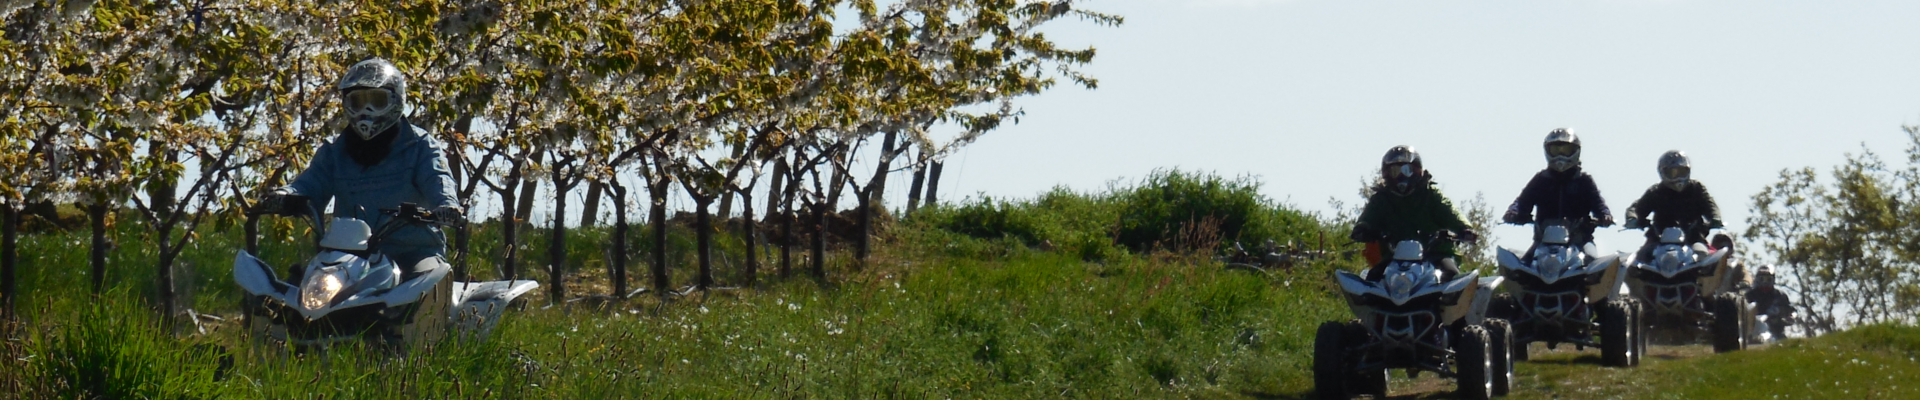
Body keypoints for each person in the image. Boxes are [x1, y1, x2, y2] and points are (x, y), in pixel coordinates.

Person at [255, 58, 462, 347]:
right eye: (357, 100)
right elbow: (311, 182)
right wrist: (286, 195)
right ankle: (285, 359)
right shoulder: (335, 151)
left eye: (375, 100)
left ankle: (425, 357)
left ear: (395, 101)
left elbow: (439, 178)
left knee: (428, 282)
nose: (366, 110)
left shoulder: (420, 146)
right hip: (349, 257)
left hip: (411, 250)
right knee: (293, 295)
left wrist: (446, 205)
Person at [1349, 145, 1478, 281]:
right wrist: (1362, 229)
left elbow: (1451, 212)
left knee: (1451, 275)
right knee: (1372, 280)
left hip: (1436, 254)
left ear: (1417, 171)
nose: (1400, 176)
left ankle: (1454, 302)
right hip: (1394, 259)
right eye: (1394, 171)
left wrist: (1464, 228)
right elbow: (1368, 218)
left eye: (1406, 170)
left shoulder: (1431, 195)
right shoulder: (1381, 199)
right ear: (1386, 174)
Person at [1502, 128, 1614, 258]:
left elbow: (1599, 204)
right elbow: (1522, 202)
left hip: (1580, 242)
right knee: (1521, 268)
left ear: (1576, 151)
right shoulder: (1540, 180)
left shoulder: (1584, 180)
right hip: (1543, 243)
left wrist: (1605, 216)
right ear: (1547, 151)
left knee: (1594, 264)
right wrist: (1513, 212)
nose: (1560, 155)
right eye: (1556, 150)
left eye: (1565, 150)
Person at [1623, 150, 1722, 262]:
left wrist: (1715, 218)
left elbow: (1710, 205)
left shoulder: (1697, 188)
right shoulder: (1656, 191)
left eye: (1682, 172)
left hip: (1693, 238)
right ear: (1662, 173)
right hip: (1658, 239)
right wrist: (1633, 219)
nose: (1678, 177)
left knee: (1704, 256)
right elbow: (1636, 208)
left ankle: (1701, 278)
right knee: (1637, 261)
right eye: (1673, 173)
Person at [1745, 265, 1794, 339]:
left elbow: (1791, 311)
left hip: (1776, 332)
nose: (1765, 282)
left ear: (1773, 280)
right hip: (1753, 331)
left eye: (1768, 279)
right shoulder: (1749, 295)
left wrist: (1789, 318)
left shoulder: (1780, 295)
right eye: (1762, 279)